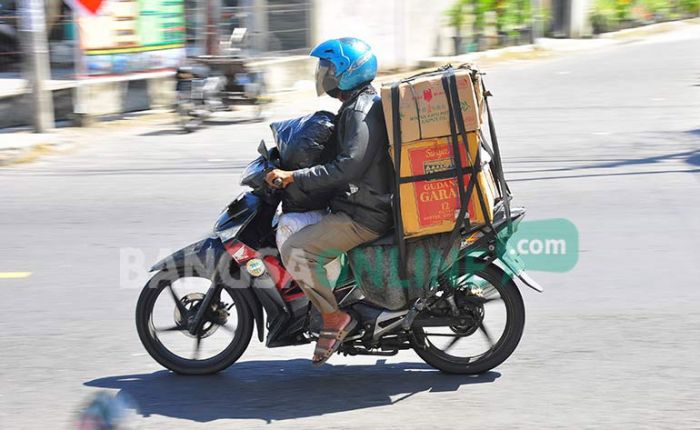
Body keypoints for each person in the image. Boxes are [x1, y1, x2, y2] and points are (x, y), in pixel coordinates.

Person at [265, 37, 393, 366]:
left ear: (347, 72)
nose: (322, 74)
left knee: (297, 250)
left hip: (363, 215)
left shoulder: (361, 110)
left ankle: (333, 317)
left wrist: (296, 177)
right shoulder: (357, 105)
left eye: (327, 67)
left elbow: (348, 167)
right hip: (359, 203)